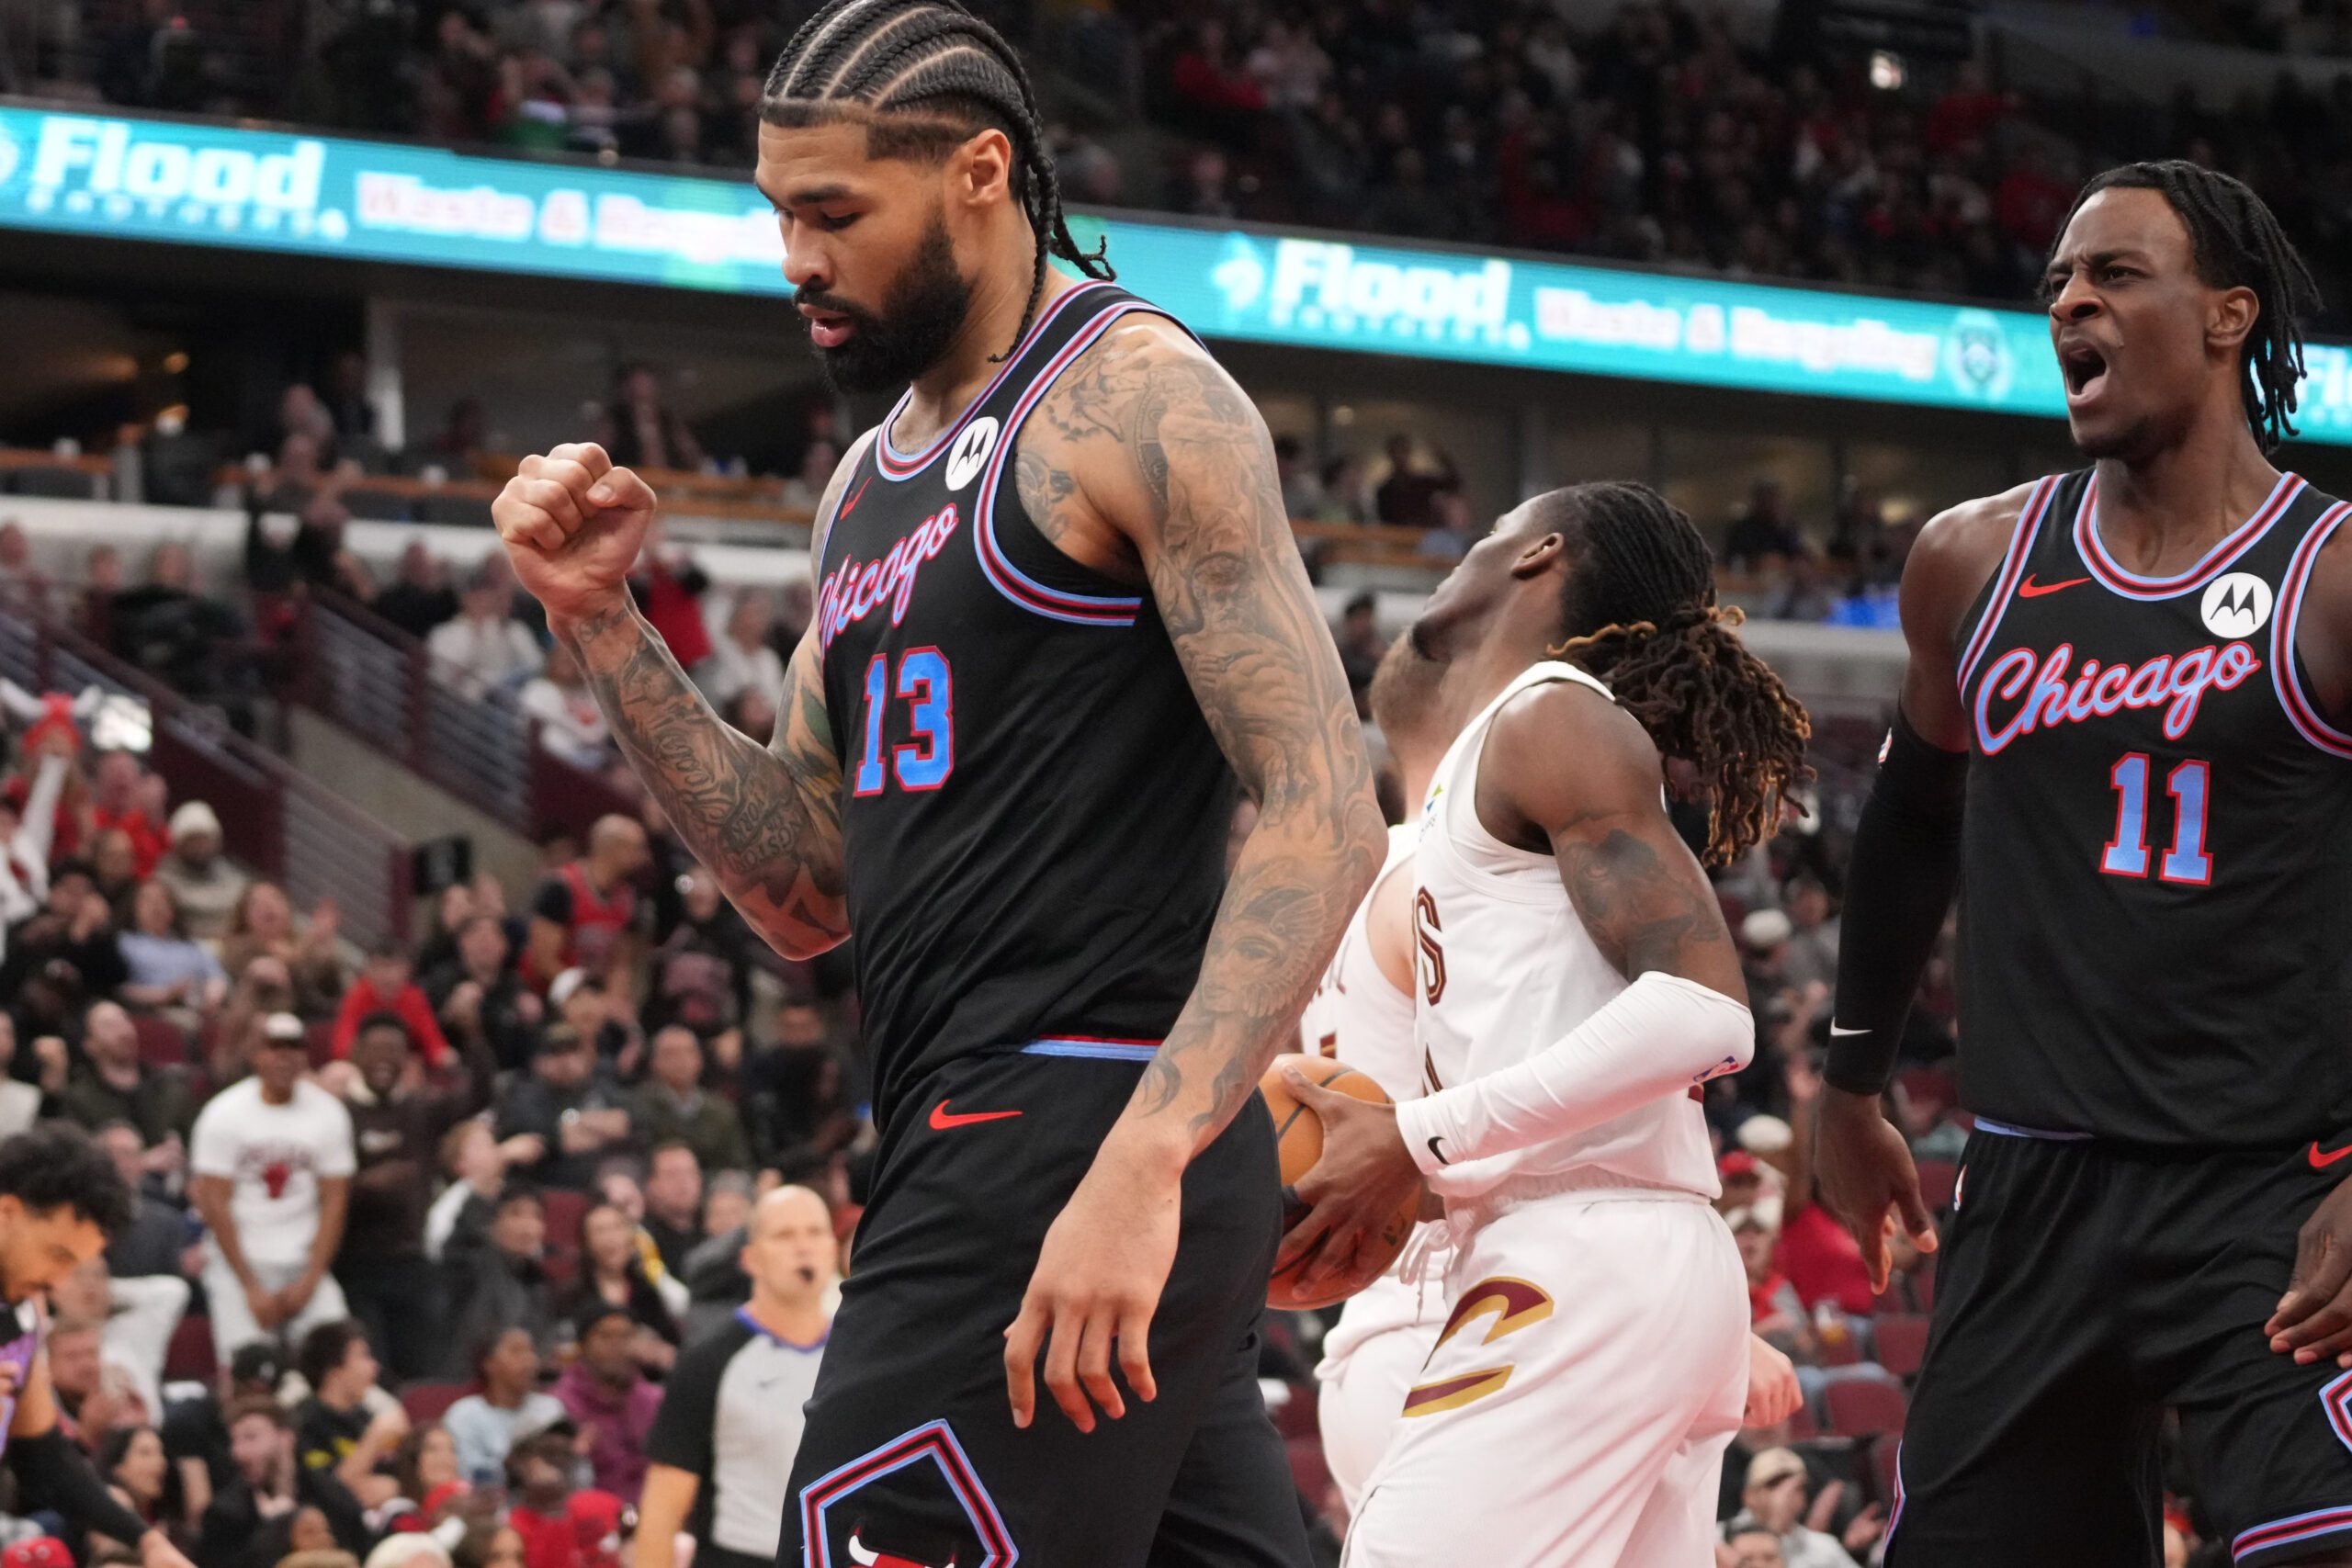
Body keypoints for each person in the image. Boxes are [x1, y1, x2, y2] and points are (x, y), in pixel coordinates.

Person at [491, 6, 1380, 1559]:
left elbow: (1327, 807)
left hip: (1067, 1132)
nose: (796, 259)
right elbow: (805, 882)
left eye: (835, 214)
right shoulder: (866, 479)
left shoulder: (1136, 397)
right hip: (978, 1130)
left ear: (981, 172)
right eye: (779, 215)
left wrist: (1143, 1158)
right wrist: (601, 623)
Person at [1812, 162, 2352, 1568]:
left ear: (2230, 315)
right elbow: (1915, 818)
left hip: (2275, 1185)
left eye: (2114, 273)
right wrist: (1851, 1080)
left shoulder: (2332, 574)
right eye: (2058, 280)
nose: (2070, 300)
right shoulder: (1974, 561)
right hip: (2031, 1188)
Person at [1285, 481, 1813, 1566]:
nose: (1453, 556)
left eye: (1481, 536)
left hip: (1584, 1249)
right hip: (1602, 1247)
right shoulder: (1477, 772)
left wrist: (1420, 1139)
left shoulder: (1547, 712)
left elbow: (1706, 1012)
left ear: (1538, 557)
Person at [0, 1122, 196, 1568]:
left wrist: (147, 1542)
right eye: (57, 1255)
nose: (58, 1282)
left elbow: (43, 1457)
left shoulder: (26, 1311)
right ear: (7, 1213)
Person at [637, 1186, 836, 1568]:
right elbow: (662, 1511)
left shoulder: (859, 1357)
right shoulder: (708, 1361)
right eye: (784, 1235)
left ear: (833, 1247)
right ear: (751, 1259)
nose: (803, 1247)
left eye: (815, 1232)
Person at [333, 1012, 495, 1381]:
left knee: (422, 1372)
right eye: (375, 1050)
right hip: (356, 1266)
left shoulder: (421, 1111)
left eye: (395, 1051)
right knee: (374, 1371)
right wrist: (367, 1186)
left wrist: (473, 1035)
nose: (385, 1060)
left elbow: (479, 1095)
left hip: (411, 1264)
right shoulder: (339, 1115)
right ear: (356, 1054)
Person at [188, 1013, 356, 1361]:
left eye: (295, 1048)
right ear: (256, 1054)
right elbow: (214, 1204)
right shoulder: (223, 1114)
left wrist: (310, 1279)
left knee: (339, 1357)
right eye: (275, 1048)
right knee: (247, 1366)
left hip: (304, 1263)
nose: (286, 1058)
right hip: (240, 1264)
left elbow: (335, 1201)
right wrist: (251, 1286)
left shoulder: (329, 1112)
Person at [196, 1397, 366, 1568]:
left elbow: (360, 1552)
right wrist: (275, 1527)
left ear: (286, 1438)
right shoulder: (223, 1515)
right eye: (234, 1441)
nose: (238, 1452)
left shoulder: (330, 1495)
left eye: (251, 1437)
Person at [493, 1028, 631, 1192]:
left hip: (603, 1184)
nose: (566, 1061)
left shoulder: (601, 1089)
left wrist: (573, 1120)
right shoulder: (525, 1096)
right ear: (540, 1062)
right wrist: (602, 1130)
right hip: (550, 1187)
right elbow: (560, 1139)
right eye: (556, 1054)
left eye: (573, 1052)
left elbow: (625, 1124)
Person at [291, 1322, 407, 1511]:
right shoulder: (303, 1423)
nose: (375, 1366)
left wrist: (397, 1488)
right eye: (363, 1356)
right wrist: (375, 1437)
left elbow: (390, 1483)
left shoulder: (364, 1418)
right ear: (335, 1371)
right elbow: (331, 1492)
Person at [521, 818, 645, 995]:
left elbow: (620, 963)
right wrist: (581, 995)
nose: (643, 857)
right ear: (614, 848)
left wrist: (613, 1001)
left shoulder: (629, 899)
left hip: (590, 993)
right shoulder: (562, 887)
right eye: (636, 849)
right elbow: (543, 960)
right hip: (543, 991)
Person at [551, 1306, 660, 1500]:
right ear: (583, 1345)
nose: (617, 1346)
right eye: (606, 1337)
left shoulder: (655, 1400)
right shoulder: (559, 1405)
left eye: (626, 1336)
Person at [557, 1202, 680, 1372]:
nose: (611, 1238)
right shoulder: (571, 1296)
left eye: (617, 1227)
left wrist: (658, 1352)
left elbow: (673, 1349)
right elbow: (563, 1351)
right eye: (600, 1230)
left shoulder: (647, 1294)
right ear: (586, 1243)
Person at [442, 1328, 566, 1490]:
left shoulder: (550, 1409)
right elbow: (466, 1476)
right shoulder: (464, 1415)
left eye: (532, 1351)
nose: (529, 1360)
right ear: (489, 1363)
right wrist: (514, 1466)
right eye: (516, 1351)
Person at [631, 1034, 750, 1179]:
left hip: (713, 1185)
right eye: (671, 1054)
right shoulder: (637, 1105)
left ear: (699, 1060)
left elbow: (738, 1163)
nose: (681, 1060)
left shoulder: (722, 1109)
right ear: (654, 1062)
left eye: (689, 1052)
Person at [1724, 1449, 1868, 1568]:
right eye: (1774, 1485)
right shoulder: (1718, 1539)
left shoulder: (1824, 1547)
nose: (1784, 1495)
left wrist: (1861, 1553)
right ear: (1749, 1496)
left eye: (1796, 1488)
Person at [329, 942, 451, 1068]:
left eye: (394, 967)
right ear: (369, 970)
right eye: (381, 967)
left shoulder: (414, 998)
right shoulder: (356, 996)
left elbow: (434, 1043)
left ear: (407, 970)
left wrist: (445, 1059)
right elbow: (341, 1046)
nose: (388, 976)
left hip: (403, 1071)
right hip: (365, 1068)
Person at [427, 568, 545, 698]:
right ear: (465, 600)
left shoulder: (508, 629)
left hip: (503, 699)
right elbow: (444, 674)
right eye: (477, 599)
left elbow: (534, 664)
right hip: (459, 703)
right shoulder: (445, 633)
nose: (482, 604)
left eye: (487, 599)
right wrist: (475, 634)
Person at [150, 805, 244, 945]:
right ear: (178, 843)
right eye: (193, 839)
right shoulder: (162, 880)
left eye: (205, 839)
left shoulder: (232, 878)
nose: (200, 846)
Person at [638, 1142, 705, 1279]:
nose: (683, 1182)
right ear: (651, 1184)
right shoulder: (643, 1240)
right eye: (671, 1175)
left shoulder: (713, 1227)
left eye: (690, 1172)